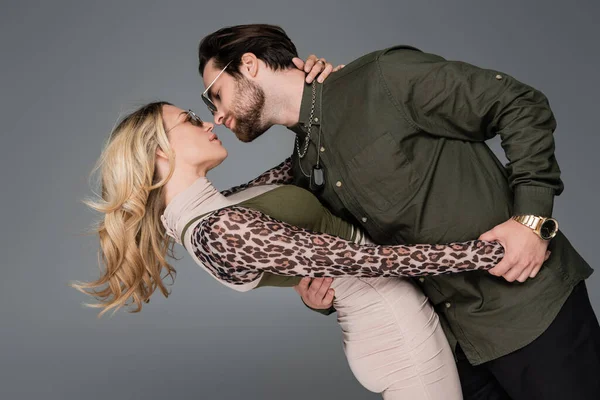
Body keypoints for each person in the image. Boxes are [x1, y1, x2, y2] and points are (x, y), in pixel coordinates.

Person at [197, 24, 600, 399]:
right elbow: (367, 253)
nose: (216, 114)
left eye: (214, 93)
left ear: (249, 65)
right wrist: (324, 296)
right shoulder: (303, 165)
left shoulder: (382, 77)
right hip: (454, 349)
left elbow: (518, 103)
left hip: (530, 311)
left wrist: (531, 219)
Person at [73, 101, 506, 399]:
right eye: (188, 119)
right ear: (158, 153)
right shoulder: (220, 230)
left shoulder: (215, 210)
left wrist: (313, 92)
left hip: (394, 322)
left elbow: (302, 165)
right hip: (398, 334)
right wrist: (491, 253)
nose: (208, 123)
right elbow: (372, 260)